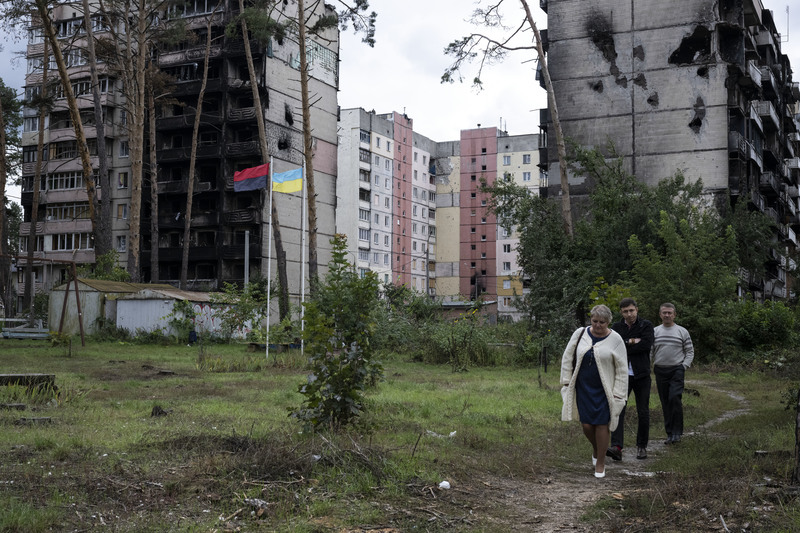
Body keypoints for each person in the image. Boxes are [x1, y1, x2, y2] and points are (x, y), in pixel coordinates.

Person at [561, 304, 628, 478]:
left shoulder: (616, 340)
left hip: (605, 390)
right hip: (583, 387)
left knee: (601, 424)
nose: (598, 325)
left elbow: (621, 369)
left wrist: (619, 393)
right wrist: (566, 382)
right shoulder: (580, 334)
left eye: (602, 322)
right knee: (586, 424)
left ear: (608, 322)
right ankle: (598, 449)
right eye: (595, 321)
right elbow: (567, 357)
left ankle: (600, 463)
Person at [607, 298, 654, 461]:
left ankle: (641, 447)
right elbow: (613, 347)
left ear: (637, 310)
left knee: (643, 411)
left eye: (631, 310)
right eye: (625, 311)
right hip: (621, 375)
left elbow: (647, 344)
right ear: (621, 312)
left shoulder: (645, 325)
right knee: (618, 409)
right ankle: (616, 447)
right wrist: (633, 341)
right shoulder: (616, 328)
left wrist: (626, 344)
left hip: (642, 375)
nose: (629, 314)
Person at [651, 302, 694, 445]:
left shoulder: (682, 331)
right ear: (660, 315)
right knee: (665, 402)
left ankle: (677, 432)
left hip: (677, 369)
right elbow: (650, 352)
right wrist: (649, 365)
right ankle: (669, 433)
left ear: (674, 314)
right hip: (660, 370)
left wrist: (684, 366)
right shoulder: (655, 331)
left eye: (670, 313)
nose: (667, 315)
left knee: (674, 398)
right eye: (664, 312)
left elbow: (689, 351)